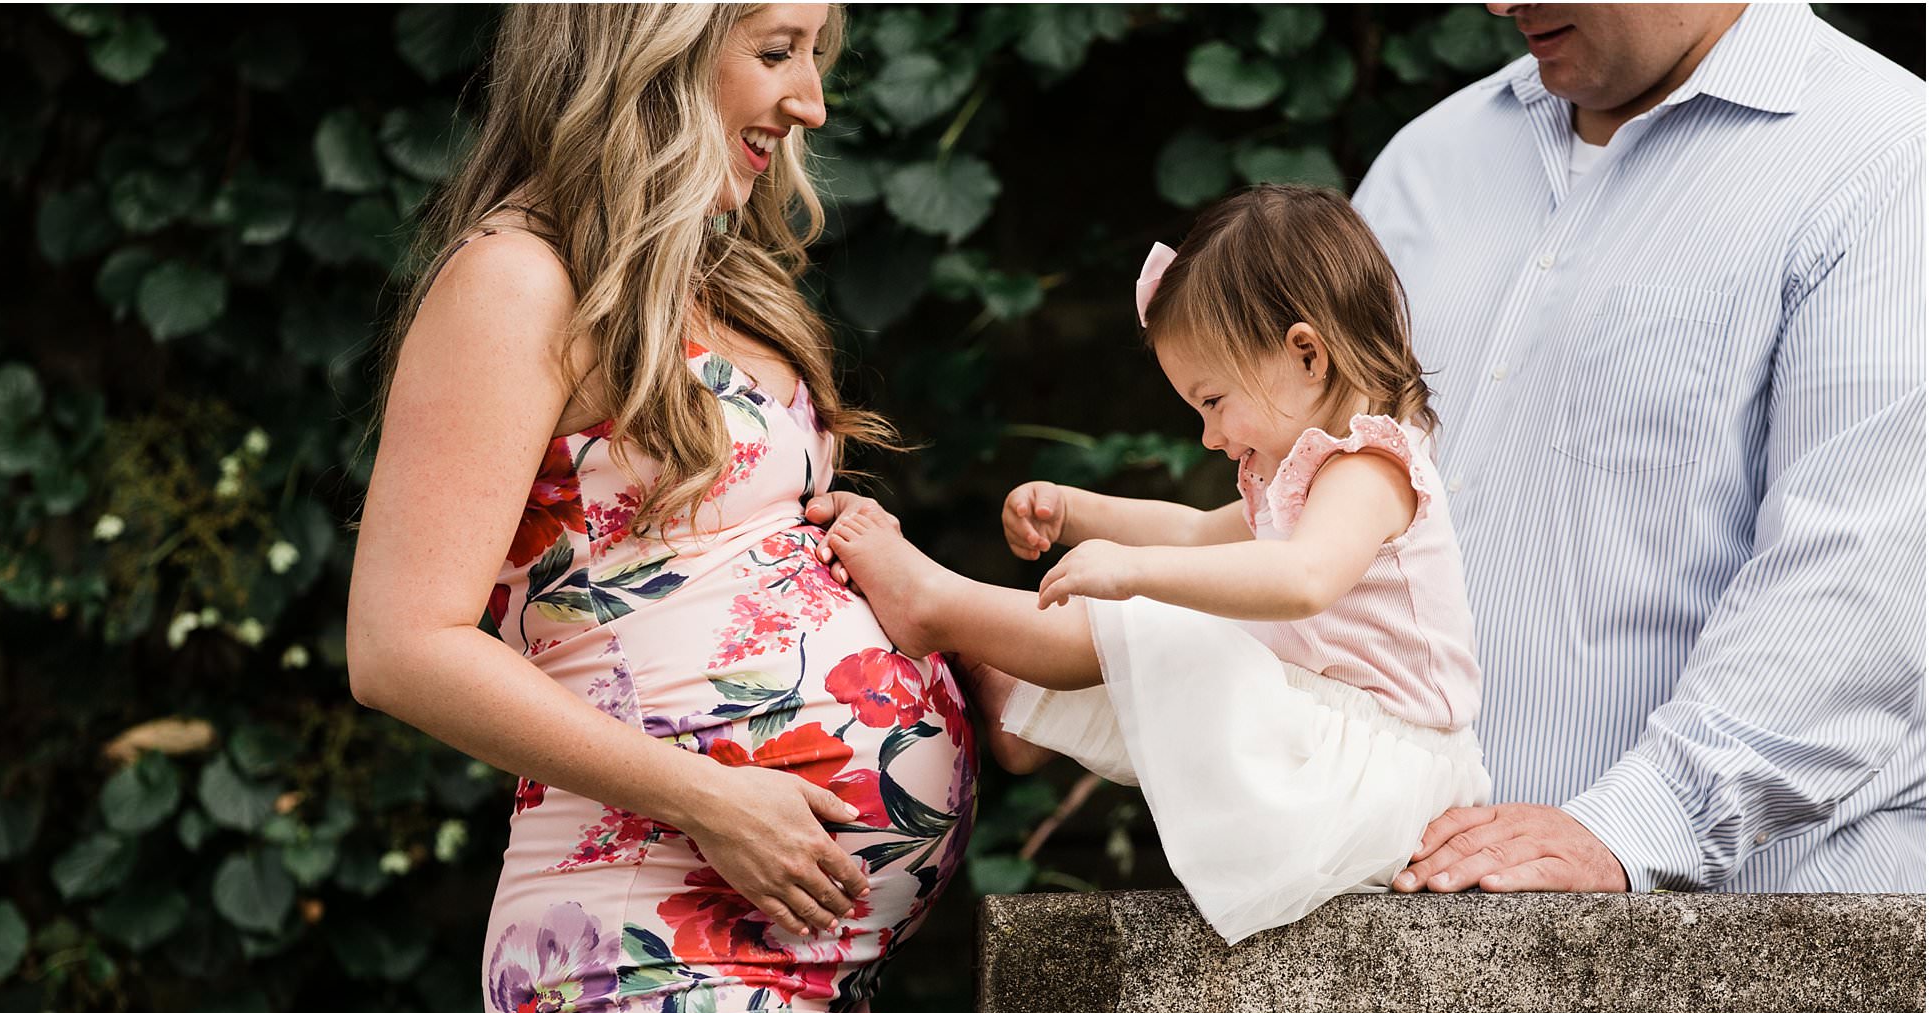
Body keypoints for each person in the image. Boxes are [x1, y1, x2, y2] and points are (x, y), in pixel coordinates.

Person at [345, 5, 977, 1013]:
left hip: (798, 960)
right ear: (651, 37)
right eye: (778, 45)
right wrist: (715, 795)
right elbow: (402, 639)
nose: (810, 100)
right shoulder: (518, 280)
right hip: (650, 943)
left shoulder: (721, 282)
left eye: (820, 53)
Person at [1351, 2, 1925, 896]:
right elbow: (1305, 511)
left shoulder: (1890, 155)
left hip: (1750, 976)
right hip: (1389, 938)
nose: (1500, 4)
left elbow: (1862, 581)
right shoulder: (1426, 164)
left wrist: (1627, 828)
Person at [822, 185, 1490, 944]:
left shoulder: (1371, 468)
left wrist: (1133, 576)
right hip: (1344, 760)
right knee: (1186, 647)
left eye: (1213, 401)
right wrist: (1079, 514)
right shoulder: (1307, 474)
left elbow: (1302, 580)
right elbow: (1201, 532)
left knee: (1185, 634)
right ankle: (1023, 699)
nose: (1207, 435)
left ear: (1306, 353)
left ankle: (932, 600)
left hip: (1386, 786)